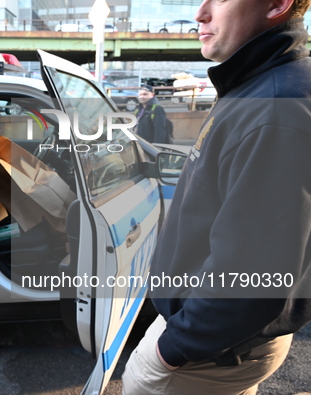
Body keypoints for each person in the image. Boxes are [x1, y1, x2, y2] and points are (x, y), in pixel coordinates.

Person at [122, 0, 311, 394]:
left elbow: (255, 281)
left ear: (277, 4)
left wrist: (172, 349)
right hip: (216, 343)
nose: (200, 13)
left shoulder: (277, 109)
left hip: (205, 354)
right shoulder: (260, 87)